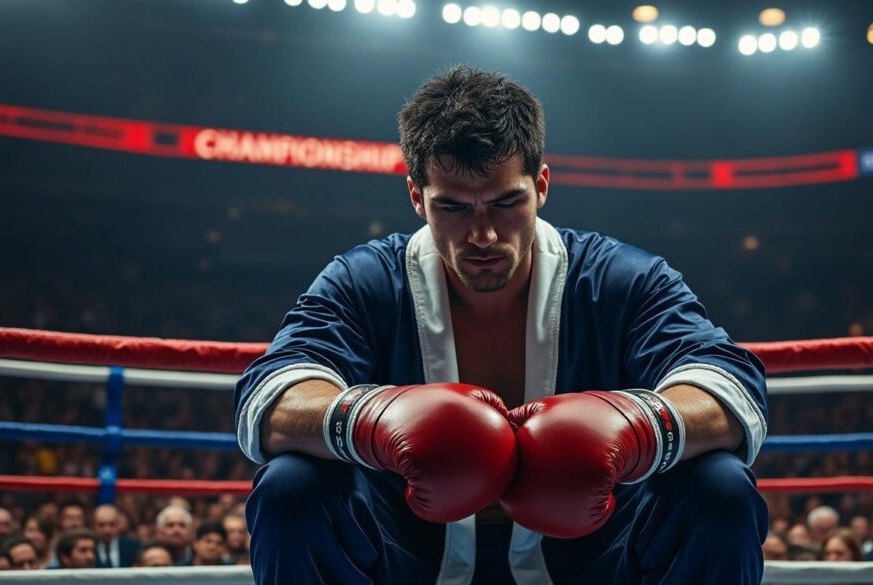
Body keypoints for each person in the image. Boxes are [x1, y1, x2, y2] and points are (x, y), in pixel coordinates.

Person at [236, 66, 769, 584]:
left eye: (506, 202)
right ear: (417, 198)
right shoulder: (365, 281)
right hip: (405, 550)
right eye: (453, 208)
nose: (483, 235)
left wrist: (639, 428)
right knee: (290, 489)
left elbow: (728, 387)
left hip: (595, 553)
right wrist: (370, 421)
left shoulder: (621, 279)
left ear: (541, 186)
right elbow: (273, 397)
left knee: (719, 489)